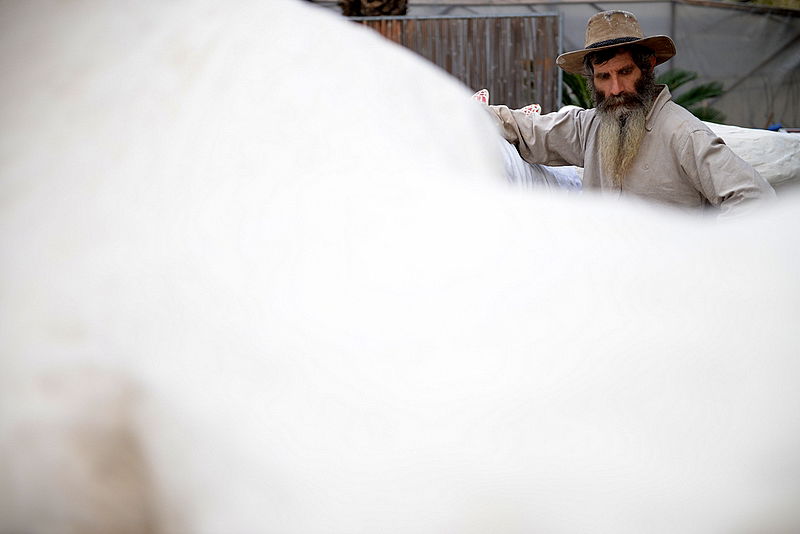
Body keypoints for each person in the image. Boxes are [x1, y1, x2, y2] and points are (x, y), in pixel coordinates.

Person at [488, 10, 775, 216]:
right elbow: (526, 128)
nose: (615, 89)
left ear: (648, 66)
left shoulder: (683, 133)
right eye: (603, 77)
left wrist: (705, 256)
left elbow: (754, 199)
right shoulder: (590, 126)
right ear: (592, 80)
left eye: (624, 72)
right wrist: (460, 112)